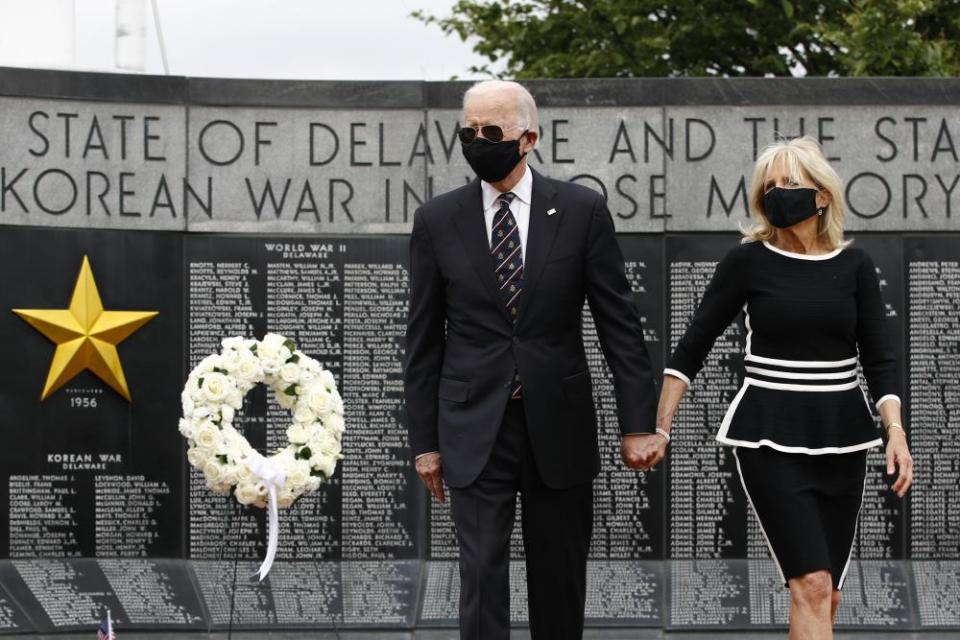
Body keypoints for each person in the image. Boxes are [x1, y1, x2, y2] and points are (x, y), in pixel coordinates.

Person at [402, 80, 662, 640]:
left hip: (558, 425)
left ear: (528, 138)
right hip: (473, 430)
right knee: (480, 582)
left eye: (491, 132)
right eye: (468, 132)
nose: (477, 141)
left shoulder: (580, 210)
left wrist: (639, 424)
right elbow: (422, 342)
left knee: (559, 580)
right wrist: (425, 441)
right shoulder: (437, 220)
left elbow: (620, 326)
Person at [648, 135, 914, 639]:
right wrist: (660, 427)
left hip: (844, 438)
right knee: (811, 584)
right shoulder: (747, 262)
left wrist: (895, 431)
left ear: (822, 195)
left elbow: (880, 358)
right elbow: (692, 345)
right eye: (769, 185)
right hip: (769, 437)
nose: (777, 193)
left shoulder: (854, 266)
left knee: (828, 592)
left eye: (790, 183)